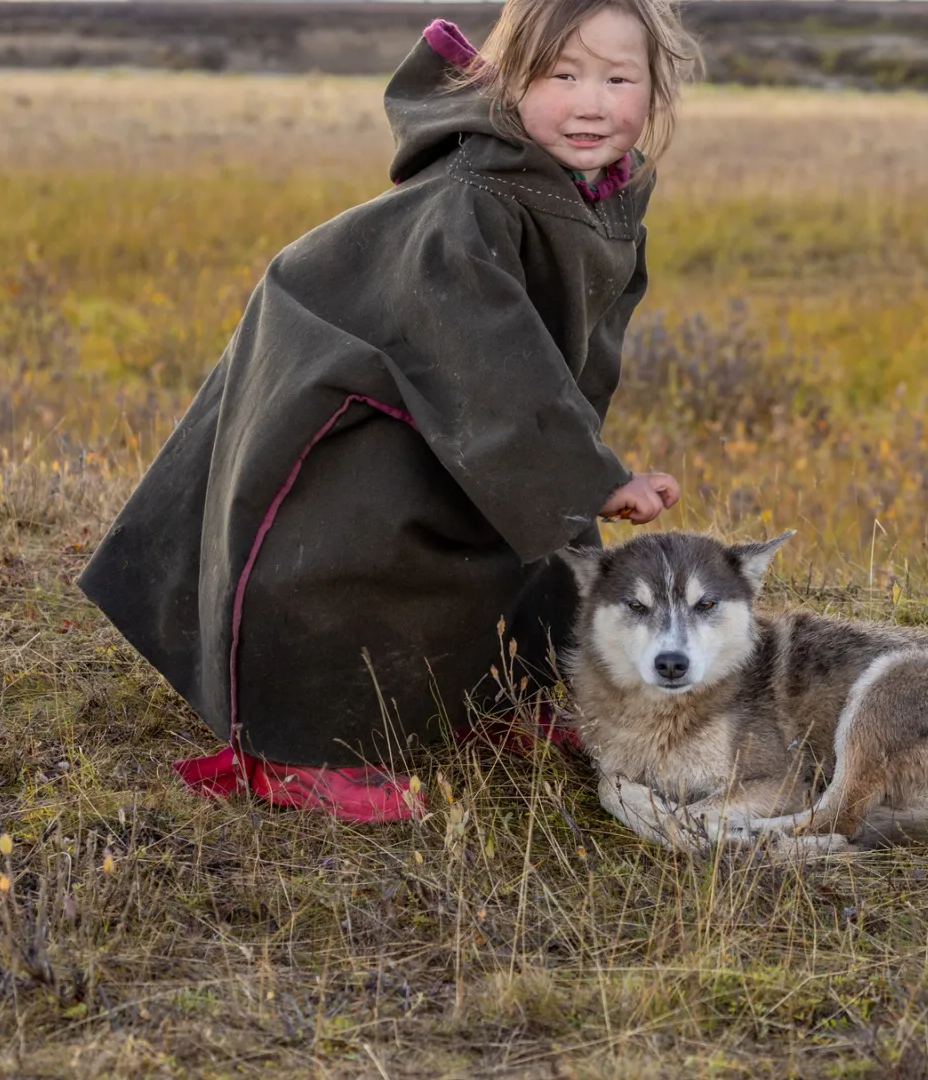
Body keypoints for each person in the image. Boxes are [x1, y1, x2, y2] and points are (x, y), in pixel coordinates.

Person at [76, 0, 699, 823]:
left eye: (619, 79)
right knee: (350, 543)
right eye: (562, 75)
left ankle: (497, 696)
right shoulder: (470, 197)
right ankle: (298, 748)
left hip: (452, 392)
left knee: (522, 530)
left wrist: (570, 465)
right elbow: (487, 353)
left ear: (655, 90)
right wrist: (591, 474)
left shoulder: (593, 193)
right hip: (346, 391)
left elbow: (564, 359)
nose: (591, 103)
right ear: (507, 81)